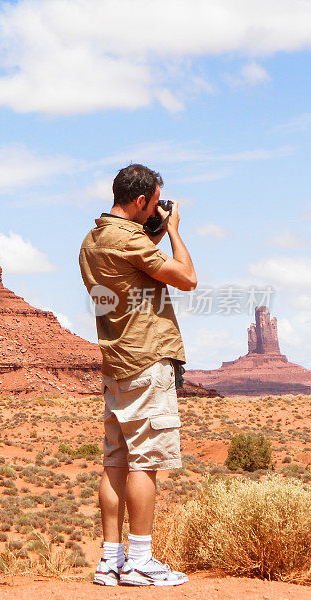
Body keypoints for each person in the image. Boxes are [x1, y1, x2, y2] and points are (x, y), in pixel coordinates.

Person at [78, 164, 196, 586]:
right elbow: (186, 278)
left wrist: (153, 229)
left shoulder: (93, 241)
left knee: (115, 461)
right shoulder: (130, 240)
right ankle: (141, 560)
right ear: (142, 200)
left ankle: (110, 560)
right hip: (147, 361)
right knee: (145, 462)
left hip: (115, 365)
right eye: (152, 204)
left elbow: (133, 260)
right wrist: (175, 229)